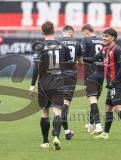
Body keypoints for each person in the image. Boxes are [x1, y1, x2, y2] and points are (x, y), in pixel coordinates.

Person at [29, 21, 72, 150]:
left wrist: (32, 85)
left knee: (44, 112)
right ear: (54, 31)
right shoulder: (63, 46)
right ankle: (57, 137)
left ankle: (45, 141)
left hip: (43, 84)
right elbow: (69, 67)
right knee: (57, 112)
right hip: (58, 82)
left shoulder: (40, 47)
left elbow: (37, 67)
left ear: (42, 32)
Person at [95, 28, 121, 142]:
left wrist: (113, 81)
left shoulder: (117, 50)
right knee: (108, 107)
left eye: (106, 36)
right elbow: (95, 58)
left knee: (117, 107)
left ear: (113, 38)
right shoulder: (104, 49)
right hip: (110, 83)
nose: (104, 38)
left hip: (116, 83)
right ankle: (105, 133)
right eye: (103, 36)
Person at [59, 25, 83, 140]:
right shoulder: (77, 44)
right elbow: (81, 62)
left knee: (57, 104)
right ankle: (60, 129)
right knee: (66, 103)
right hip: (70, 76)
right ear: (71, 32)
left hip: (57, 76)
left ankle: (67, 132)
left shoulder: (57, 43)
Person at [81, 24, 103, 134]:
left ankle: (98, 126)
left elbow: (82, 56)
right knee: (94, 100)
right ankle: (90, 125)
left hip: (90, 73)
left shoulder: (86, 40)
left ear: (86, 32)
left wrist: (80, 59)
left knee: (92, 99)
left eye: (83, 33)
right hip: (102, 73)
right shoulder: (103, 40)